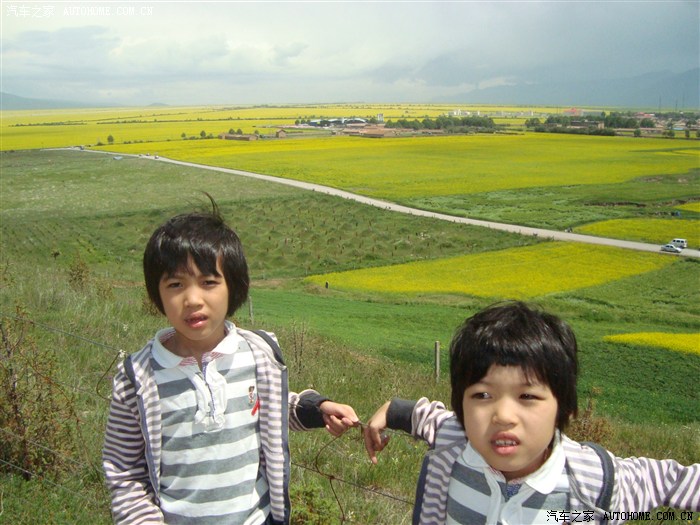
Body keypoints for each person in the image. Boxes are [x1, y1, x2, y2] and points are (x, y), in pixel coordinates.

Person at [103, 197, 358, 524]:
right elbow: (124, 471)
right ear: (157, 293)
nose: (192, 299)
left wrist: (317, 409)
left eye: (208, 283)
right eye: (176, 284)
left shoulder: (257, 354)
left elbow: (271, 408)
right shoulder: (138, 379)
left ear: (233, 287)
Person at [363, 301, 699, 525]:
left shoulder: (589, 485)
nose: (503, 415)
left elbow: (670, 481)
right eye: (482, 395)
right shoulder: (455, 441)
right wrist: (390, 411)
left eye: (527, 396)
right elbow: (425, 417)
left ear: (564, 406)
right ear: (461, 406)